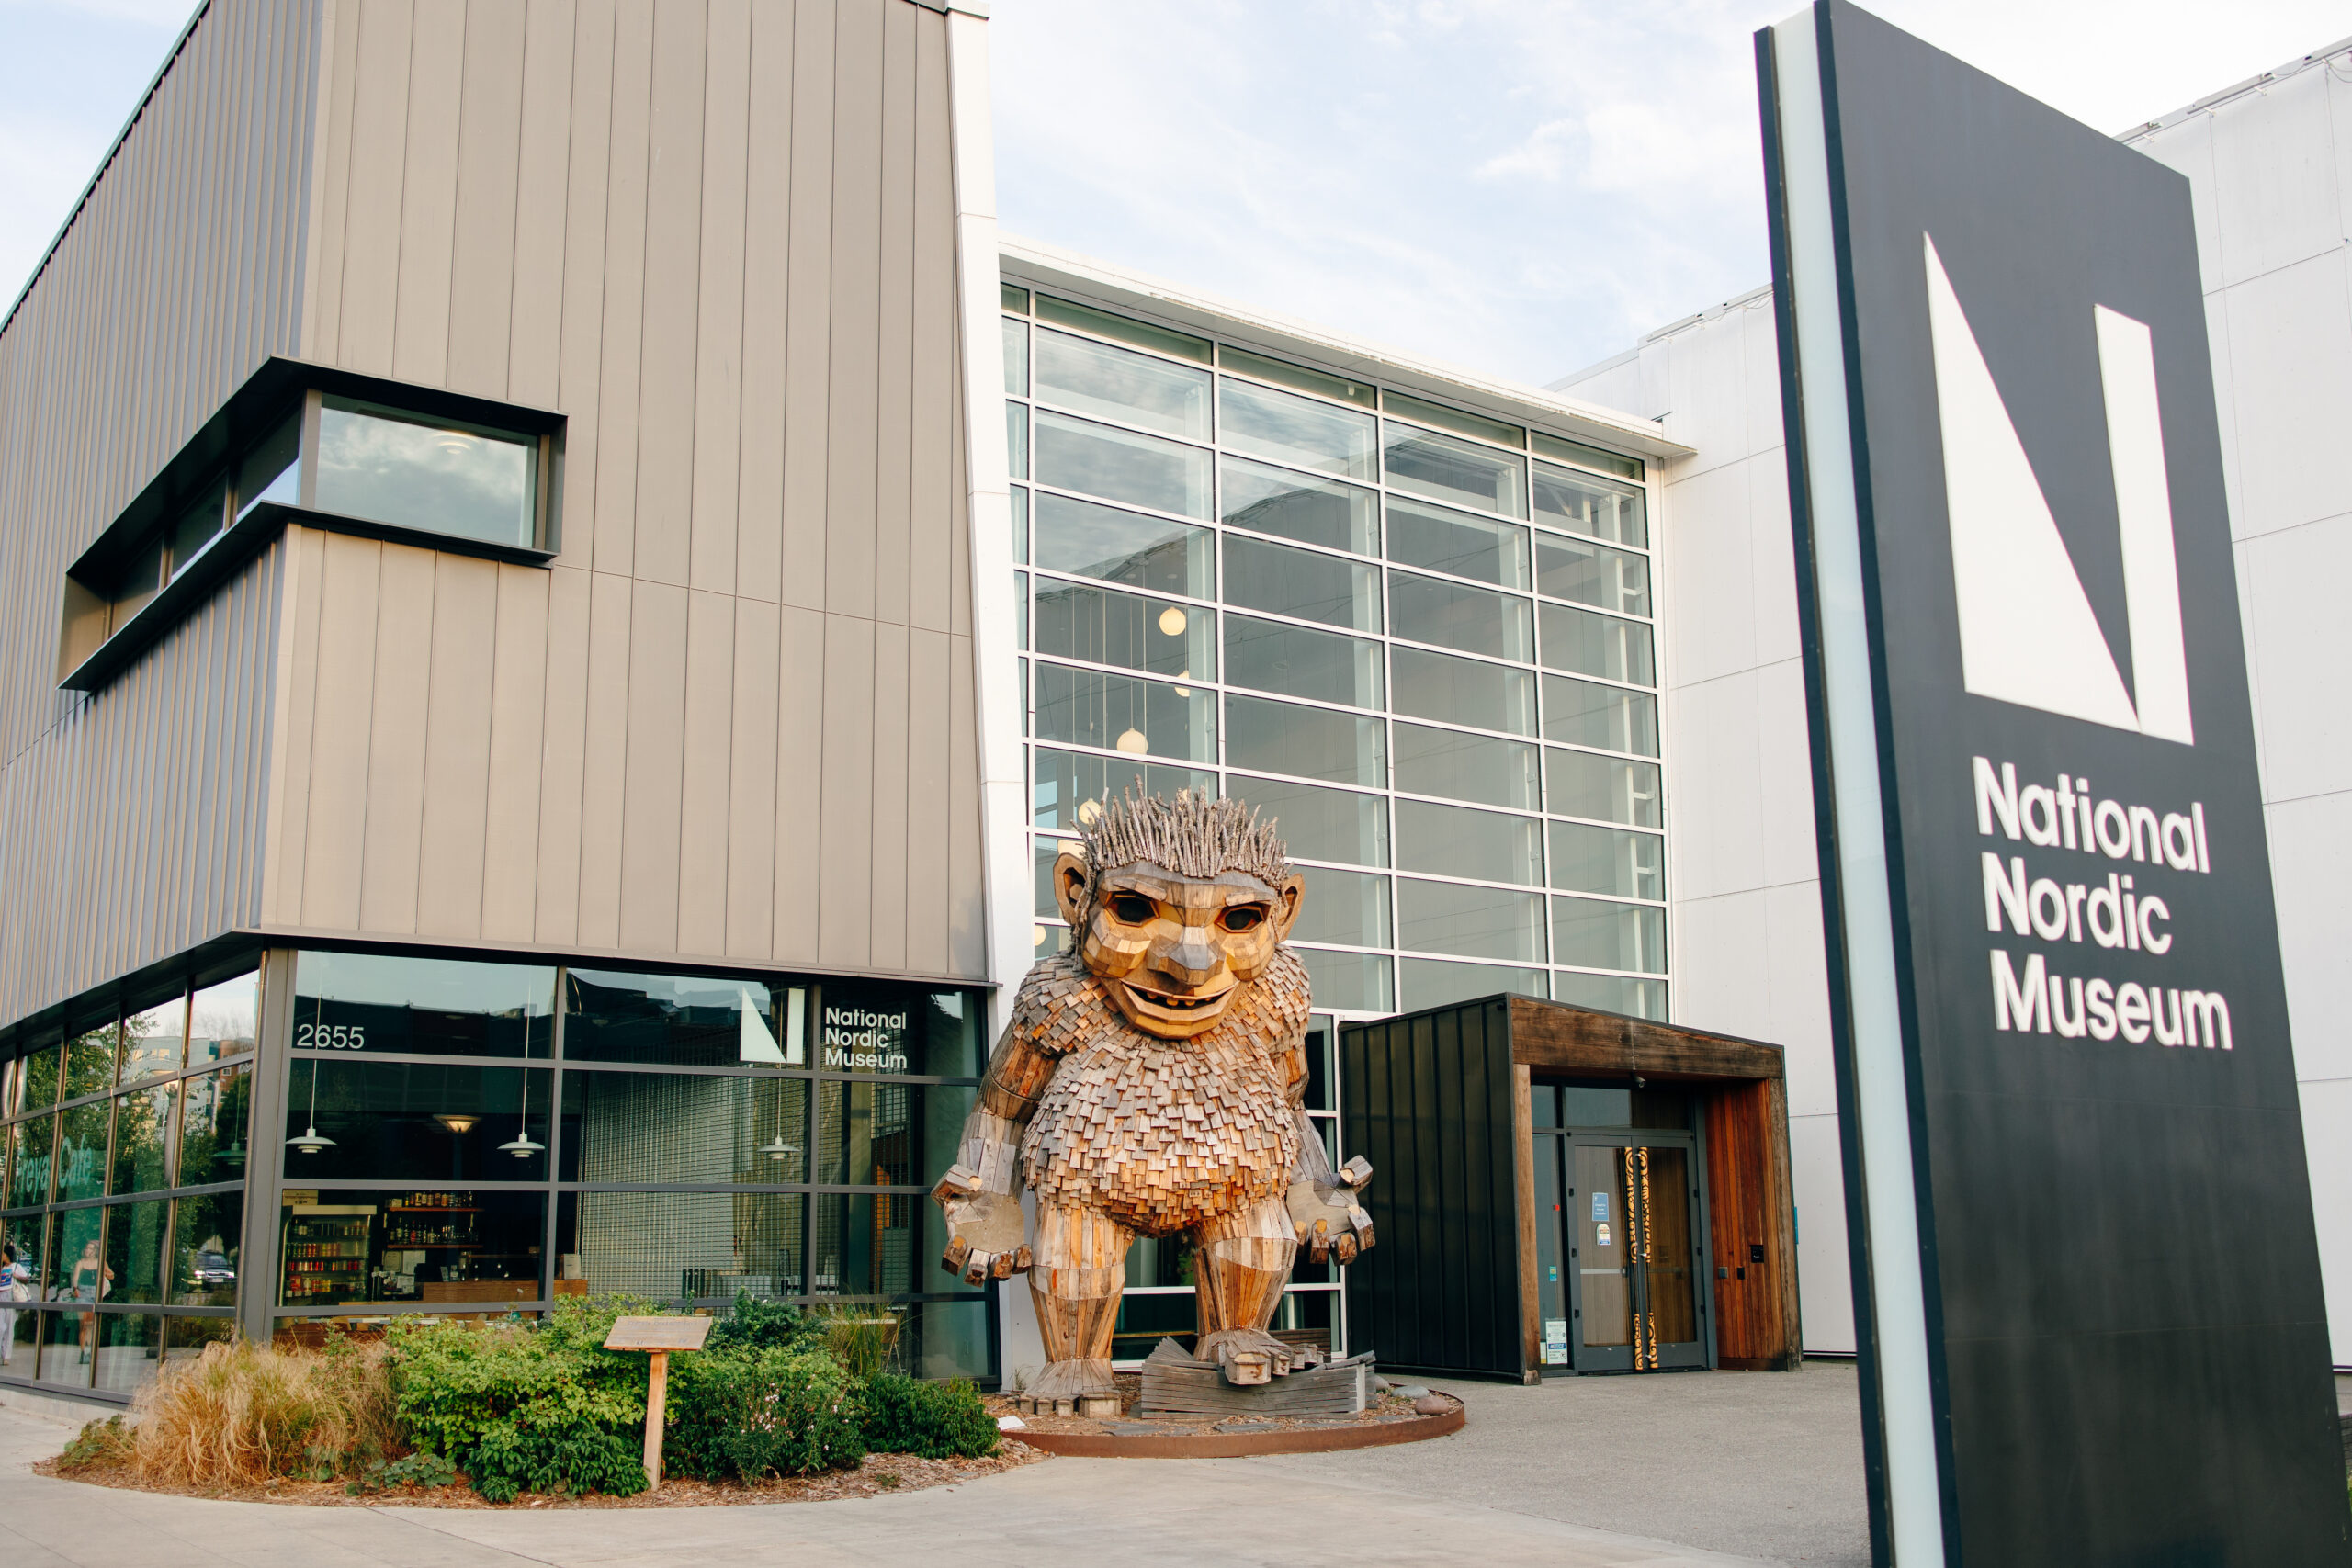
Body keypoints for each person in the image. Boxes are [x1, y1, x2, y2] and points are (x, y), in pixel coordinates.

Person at [72, 1238, 110, 1364]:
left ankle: (90, 1351)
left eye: (90, 1248)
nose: (87, 1250)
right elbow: (75, 1277)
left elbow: (111, 1274)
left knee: (91, 1325)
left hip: (95, 1292)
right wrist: (75, 1288)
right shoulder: (81, 1263)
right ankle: (83, 1352)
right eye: (86, 1248)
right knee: (83, 1325)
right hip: (83, 1293)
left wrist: (107, 1275)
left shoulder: (100, 1262)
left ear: (95, 1251)